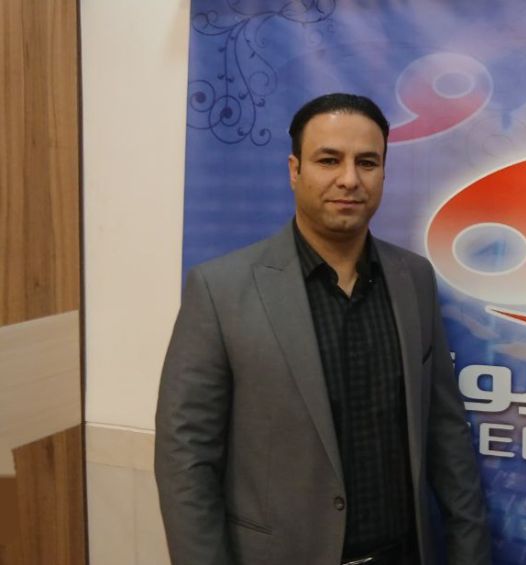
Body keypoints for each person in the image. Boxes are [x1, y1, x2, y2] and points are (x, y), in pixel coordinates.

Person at [155, 93, 491, 565]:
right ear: (294, 170)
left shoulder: (413, 279)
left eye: (367, 162)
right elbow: (186, 457)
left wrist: (470, 550)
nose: (349, 179)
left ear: (383, 173)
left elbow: (444, 430)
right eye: (329, 160)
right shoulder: (220, 289)